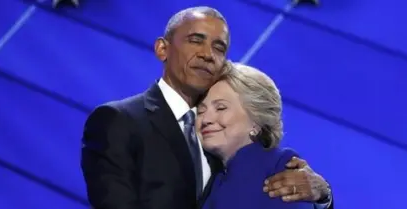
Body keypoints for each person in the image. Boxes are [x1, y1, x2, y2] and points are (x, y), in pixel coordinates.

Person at [80, 6, 333, 209]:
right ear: (162, 49)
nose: (207, 54)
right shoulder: (117, 121)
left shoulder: (232, 140)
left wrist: (323, 196)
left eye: (219, 47)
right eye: (195, 40)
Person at [198, 62, 314, 209]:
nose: (206, 119)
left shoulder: (278, 166)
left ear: (256, 120)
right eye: (200, 111)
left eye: (221, 108)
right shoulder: (203, 173)